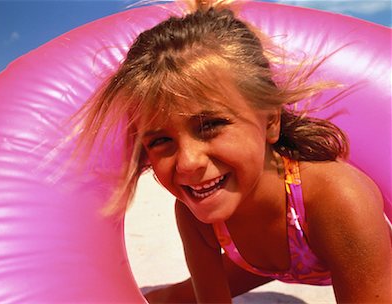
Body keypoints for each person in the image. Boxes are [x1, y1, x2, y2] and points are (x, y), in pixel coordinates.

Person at [73, 0, 392, 302]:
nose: (188, 163)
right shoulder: (195, 212)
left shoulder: (337, 200)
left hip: (342, 248)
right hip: (267, 261)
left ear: (270, 121)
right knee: (171, 299)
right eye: (160, 141)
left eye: (210, 125)